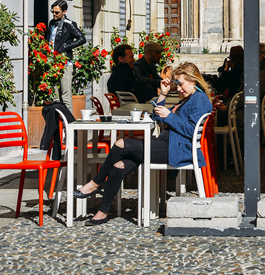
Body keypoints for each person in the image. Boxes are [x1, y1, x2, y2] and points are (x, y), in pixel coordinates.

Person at [75, 62, 212, 226]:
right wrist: (163, 95)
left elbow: (191, 130)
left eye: (180, 84)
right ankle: (102, 212)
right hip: (166, 145)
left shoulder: (200, 99)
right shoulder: (188, 98)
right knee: (119, 165)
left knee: (120, 144)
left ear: (193, 80)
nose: (179, 88)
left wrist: (170, 116)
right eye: (176, 84)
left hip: (177, 149)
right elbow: (157, 118)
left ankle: (96, 182)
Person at [46, 0, 86, 111]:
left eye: (57, 12)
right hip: (52, 62)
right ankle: (56, 122)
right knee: (54, 94)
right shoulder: (51, 23)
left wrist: (66, 46)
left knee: (65, 94)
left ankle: (68, 123)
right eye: (52, 12)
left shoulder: (69, 24)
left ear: (64, 11)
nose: (54, 14)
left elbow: (82, 39)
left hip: (65, 62)